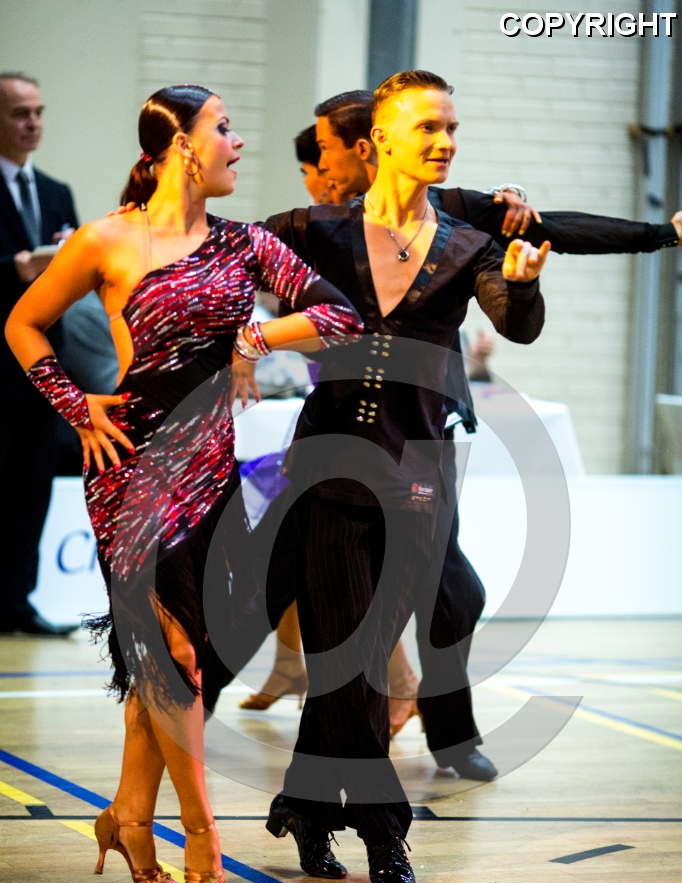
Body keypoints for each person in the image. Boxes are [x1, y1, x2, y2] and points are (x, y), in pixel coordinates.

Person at [239, 85, 682, 782]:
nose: (318, 167)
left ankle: (423, 733)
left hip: (419, 440)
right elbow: (228, 268)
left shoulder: (453, 214)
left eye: (323, 150)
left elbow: (552, 234)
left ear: (365, 144)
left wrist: (663, 233)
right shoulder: (321, 226)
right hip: (340, 437)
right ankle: (244, 711)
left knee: (447, 595)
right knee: (295, 587)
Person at [6, 84, 362, 883]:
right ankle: (199, 829)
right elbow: (21, 324)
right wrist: (76, 405)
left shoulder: (245, 242)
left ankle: (129, 816)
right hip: (130, 466)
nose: (238, 141)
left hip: (210, 472)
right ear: (180, 147)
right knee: (177, 658)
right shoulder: (106, 239)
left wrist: (257, 335)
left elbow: (341, 317)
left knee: (171, 656)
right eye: (223, 127)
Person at [259, 70, 549, 883]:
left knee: (352, 667)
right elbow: (218, 266)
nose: (445, 140)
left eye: (451, 127)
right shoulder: (314, 228)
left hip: (417, 479)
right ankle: (387, 831)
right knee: (348, 662)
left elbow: (516, 323)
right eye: (428, 126)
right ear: (379, 138)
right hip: (328, 472)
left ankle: (307, 805)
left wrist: (525, 283)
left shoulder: (466, 243)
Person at [0, 72, 79, 635]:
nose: (32, 123)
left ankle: (16, 602)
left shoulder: (55, 191)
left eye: (38, 112)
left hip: (42, 366)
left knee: (31, 490)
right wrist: (16, 269)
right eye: (19, 113)